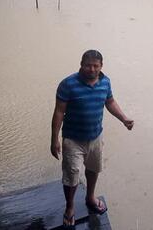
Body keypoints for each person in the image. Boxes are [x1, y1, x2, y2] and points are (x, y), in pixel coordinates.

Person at [50, 49, 134, 228]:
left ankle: (90, 197)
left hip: (95, 136)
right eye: (88, 65)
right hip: (73, 139)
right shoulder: (68, 84)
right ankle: (70, 207)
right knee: (72, 175)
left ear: (101, 66)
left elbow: (110, 102)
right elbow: (59, 112)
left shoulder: (105, 82)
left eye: (96, 66)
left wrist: (124, 118)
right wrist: (54, 139)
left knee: (94, 169)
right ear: (81, 65)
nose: (92, 69)